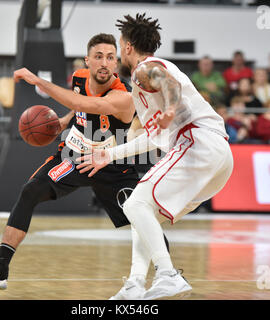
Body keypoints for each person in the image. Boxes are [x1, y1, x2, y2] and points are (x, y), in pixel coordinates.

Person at [0, 33, 172, 291]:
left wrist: (38, 82)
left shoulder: (124, 95)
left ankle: (167, 274)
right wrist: (65, 121)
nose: (104, 63)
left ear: (116, 63)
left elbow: (85, 103)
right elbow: (80, 105)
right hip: (75, 155)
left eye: (111, 57)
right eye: (98, 56)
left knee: (141, 218)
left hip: (111, 164)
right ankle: (1, 267)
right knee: (29, 191)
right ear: (87, 60)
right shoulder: (79, 77)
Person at [77, 13, 234, 300]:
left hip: (197, 142)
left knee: (135, 204)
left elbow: (169, 86)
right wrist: (109, 154)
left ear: (126, 47)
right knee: (143, 214)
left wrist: (171, 111)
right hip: (219, 157)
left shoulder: (145, 69)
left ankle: (168, 275)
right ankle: (135, 284)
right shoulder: (146, 81)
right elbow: (151, 138)